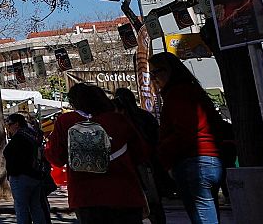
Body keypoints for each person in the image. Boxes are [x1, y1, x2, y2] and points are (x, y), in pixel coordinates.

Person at [45, 83, 148, 224]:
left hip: (86, 195)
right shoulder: (118, 120)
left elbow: (55, 157)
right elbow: (141, 153)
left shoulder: (66, 121)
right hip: (124, 192)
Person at [150, 51, 233, 224]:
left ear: (168, 71)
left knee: (203, 218)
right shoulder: (193, 91)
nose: (153, 79)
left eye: (155, 73)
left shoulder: (177, 94)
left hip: (193, 161)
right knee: (209, 215)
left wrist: (165, 154)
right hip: (211, 159)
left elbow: (185, 132)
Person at [113, 87, 165, 224]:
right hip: (147, 163)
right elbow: (157, 138)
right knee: (153, 202)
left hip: (133, 164)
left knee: (136, 204)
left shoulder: (120, 120)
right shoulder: (144, 116)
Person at [4, 113, 53, 224]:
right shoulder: (33, 135)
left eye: (9, 124)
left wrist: (12, 173)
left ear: (16, 124)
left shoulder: (19, 138)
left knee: (21, 208)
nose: (8, 128)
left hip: (21, 176)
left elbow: (11, 155)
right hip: (36, 176)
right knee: (36, 207)